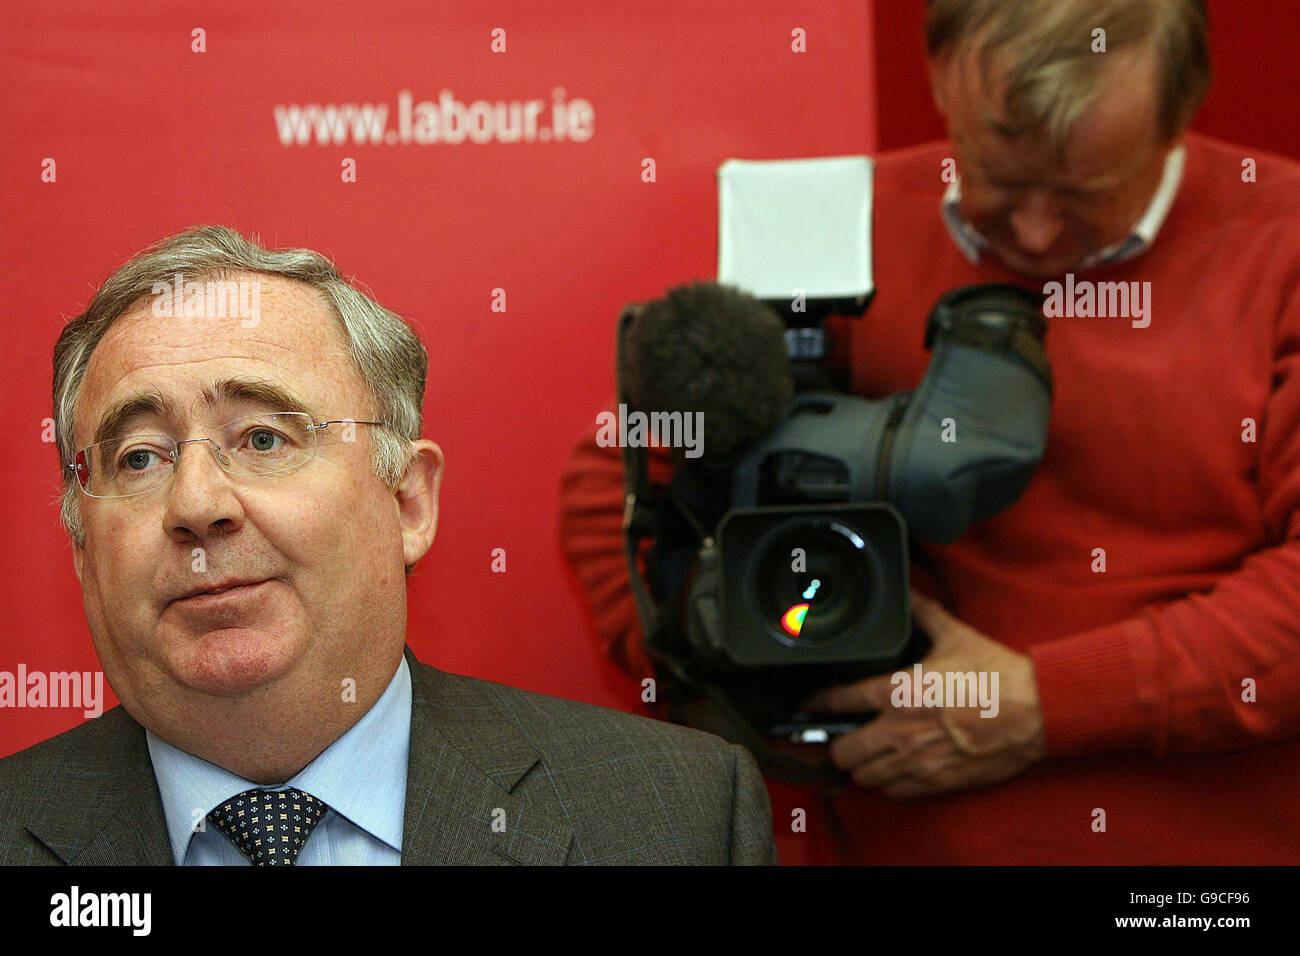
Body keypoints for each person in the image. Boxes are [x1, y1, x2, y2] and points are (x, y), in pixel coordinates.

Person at [559, 0, 1300, 864]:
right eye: (997, 178)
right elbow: (616, 479)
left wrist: (1038, 703)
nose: (1029, 233)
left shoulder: (1279, 245)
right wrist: (716, 668)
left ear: (1181, 116)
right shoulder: (832, 225)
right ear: (940, 83)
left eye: (1084, 193)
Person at [0, 225, 777, 866]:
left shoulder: (679, 820)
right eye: (139, 456)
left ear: (407, 501)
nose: (198, 504)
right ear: (81, 547)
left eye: (264, 437)